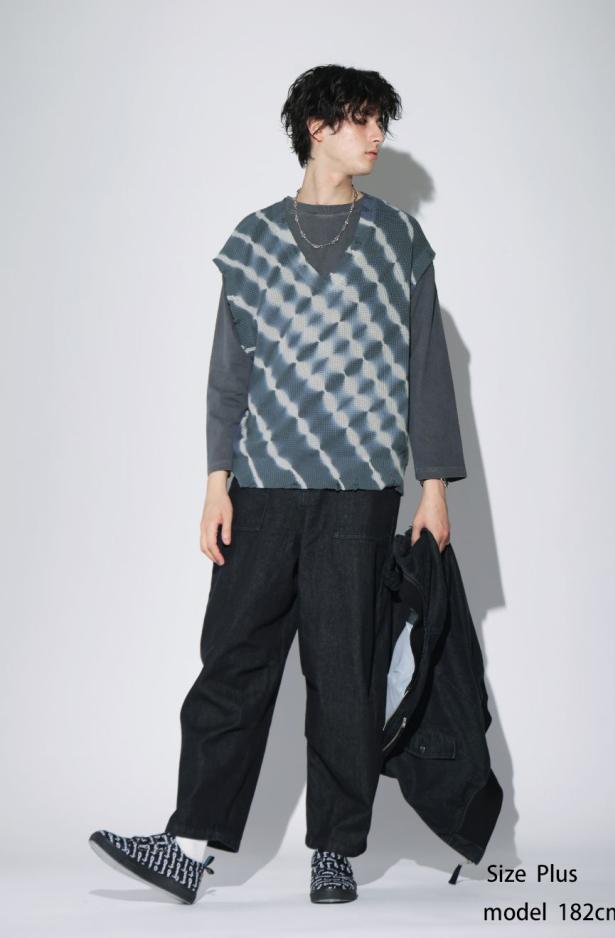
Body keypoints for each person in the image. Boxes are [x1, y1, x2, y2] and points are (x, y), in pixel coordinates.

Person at [89, 63, 466, 906]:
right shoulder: (253, 240)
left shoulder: (401, 241)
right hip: (260, 489)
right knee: (232, 662)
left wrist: (435, 487)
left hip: (360, 493)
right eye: (363, 119)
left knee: (346, 673)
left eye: (380, 121)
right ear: (318, 127)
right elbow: (228, 379)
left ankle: (335, 852)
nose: (377, 135)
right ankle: (189, 846)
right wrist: (215, 484)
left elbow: (428, 371)